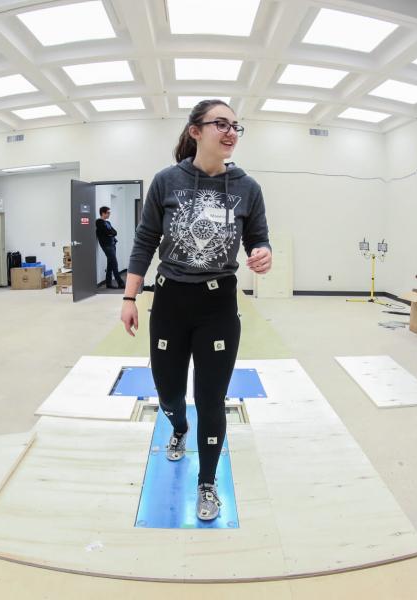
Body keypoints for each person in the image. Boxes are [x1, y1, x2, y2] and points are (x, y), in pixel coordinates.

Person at [122, 99, 272, 521]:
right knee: (169, 391)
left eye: (235, 126)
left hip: (218, 303)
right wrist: (129, 298)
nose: (230, 132)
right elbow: (145, 240)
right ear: (195, 131)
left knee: (211, 398)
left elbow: (259, 237)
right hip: (170, 301)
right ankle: (177, 427)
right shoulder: (167, 181)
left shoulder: (247, 187)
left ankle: (207, 482)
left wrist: (262, 253)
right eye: (220, 124)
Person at [96, 206, 125, 289]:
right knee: (114, 264)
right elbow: (107, 232)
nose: (109, 214)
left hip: (112, 245)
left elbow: (115, 232)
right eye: (108, 212)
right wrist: (110, 233)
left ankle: (108, 283)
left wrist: (110, 233)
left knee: (110, 264)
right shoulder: (99, 222)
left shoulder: (108, 223)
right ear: (103, 213)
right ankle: (120, 283)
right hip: (106, 246)